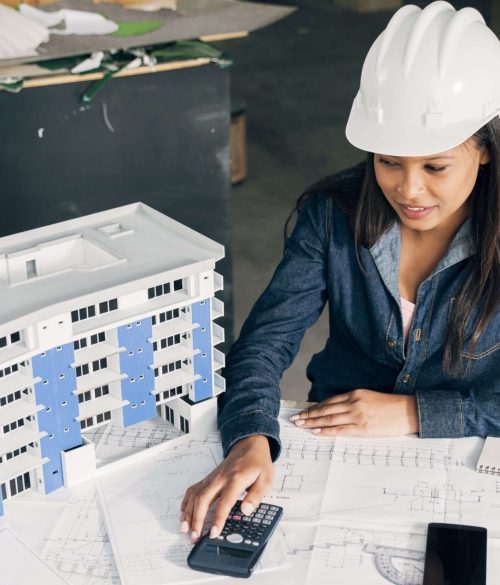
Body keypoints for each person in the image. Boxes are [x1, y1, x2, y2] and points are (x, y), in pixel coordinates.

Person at [180, 1, 500, 542]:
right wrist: (251, 436)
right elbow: (264, 344)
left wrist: (416, 414)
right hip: (333, 451)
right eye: (388, 161)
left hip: (464, 461)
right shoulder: (333, 214)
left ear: (486, 150)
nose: (407, 190)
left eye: (435, 166)